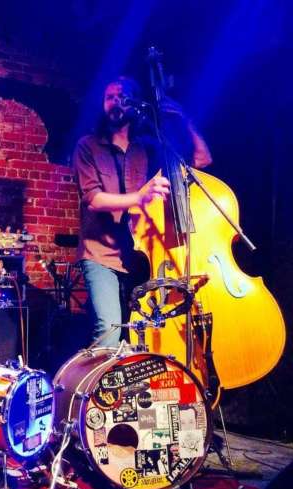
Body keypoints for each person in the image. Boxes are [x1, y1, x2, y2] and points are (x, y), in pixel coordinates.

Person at [73, 76, 212, 348]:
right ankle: (95, 389)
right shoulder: (87, 146)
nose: (115, 102)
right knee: (109, 329)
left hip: (144, 256)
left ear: (135, 104)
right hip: (101, 254)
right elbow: (93, 199)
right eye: (109, 97)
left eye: (122, 97)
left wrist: (185, 121)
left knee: (149, 332)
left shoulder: (150, 146)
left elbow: (202, 160)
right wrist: (140, 197)